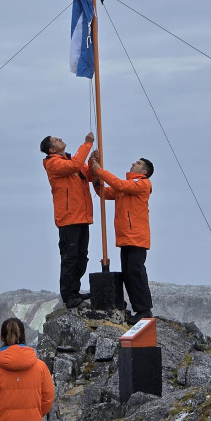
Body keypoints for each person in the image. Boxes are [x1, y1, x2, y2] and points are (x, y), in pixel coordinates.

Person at [91, 154, 155, 325]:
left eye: (139, 163)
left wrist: (100, 171)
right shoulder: (127, 187)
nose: (134, 163)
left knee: (136, 272)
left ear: (144, 171)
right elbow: (105, 192)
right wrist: (96, 179)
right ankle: (140, 309)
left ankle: (144, 309)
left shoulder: (142, 184)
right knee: (129, 273)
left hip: (136, 237)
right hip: (126, 237)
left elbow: (118, 184)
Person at [41, 132, 96, 308]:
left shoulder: (70, 161)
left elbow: (87, 174)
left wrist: (92, 161)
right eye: (55, 140)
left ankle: (75, 290)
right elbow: (75, 166)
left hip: (81, 216)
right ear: (51, 149)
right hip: (69, 217)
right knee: (70, 258)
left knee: (81, 258)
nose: (60, 139)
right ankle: (69, 296)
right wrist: (87, 145)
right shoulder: (53, 163)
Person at [0, 318, 54, 421]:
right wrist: (32, 414)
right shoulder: (41, 367)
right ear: (24, 336)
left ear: (1, 337)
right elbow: (47, 401)